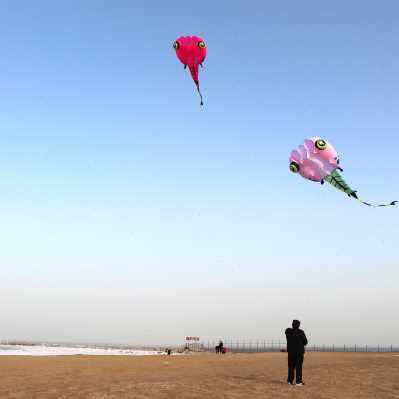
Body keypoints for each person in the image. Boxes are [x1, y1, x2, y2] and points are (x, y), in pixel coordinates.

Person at [285, 319, 308, 386]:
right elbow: (305, 342)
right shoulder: (301, 332)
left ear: (292, 324)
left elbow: (287, 331)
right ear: (298, 325)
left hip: (291, 353)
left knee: (291, 367)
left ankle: (289, 381)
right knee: (299, 367)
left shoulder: (288, 331)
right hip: (299, 353)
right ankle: (298, 382)